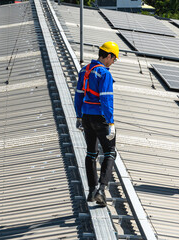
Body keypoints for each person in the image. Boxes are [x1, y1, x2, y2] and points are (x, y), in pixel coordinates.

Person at [74, 41, 119, 207]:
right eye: (114, 59)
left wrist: (79, 116)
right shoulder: (104, 73)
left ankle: (91, 190)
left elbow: (78, 94)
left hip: (86, 116)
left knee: (91, 153)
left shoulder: (85, 70)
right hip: (100, 117)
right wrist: (111, 122)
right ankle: (102, 188)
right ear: (108, 56)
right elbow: (106, 99)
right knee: (110, 152)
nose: (113, 63)